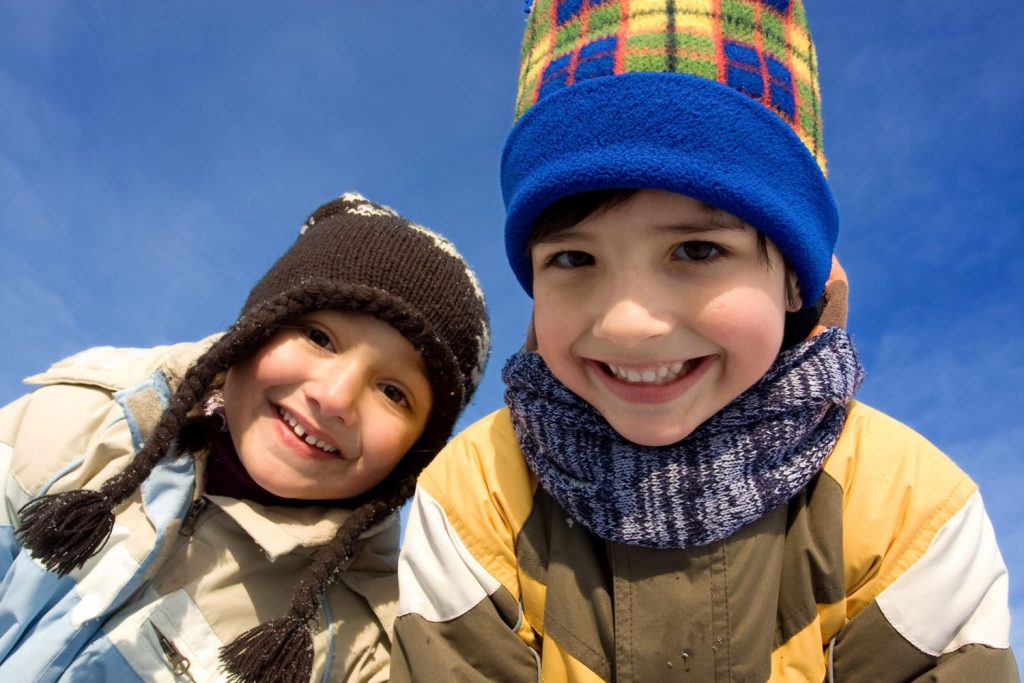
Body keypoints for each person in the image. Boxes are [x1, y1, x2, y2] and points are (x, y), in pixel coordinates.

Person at [392, 2, 1018, 681]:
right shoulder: (474, 494)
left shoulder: (910, 510)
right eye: (574, 259)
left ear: (793, 281)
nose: (628, 322)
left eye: (696, 248)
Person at [0, 192, 490, 683]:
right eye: (319, 337)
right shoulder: (79, 419)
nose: (335, 398)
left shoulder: (360, 651)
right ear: (254, 329)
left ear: (416, 453)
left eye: (392, 392)